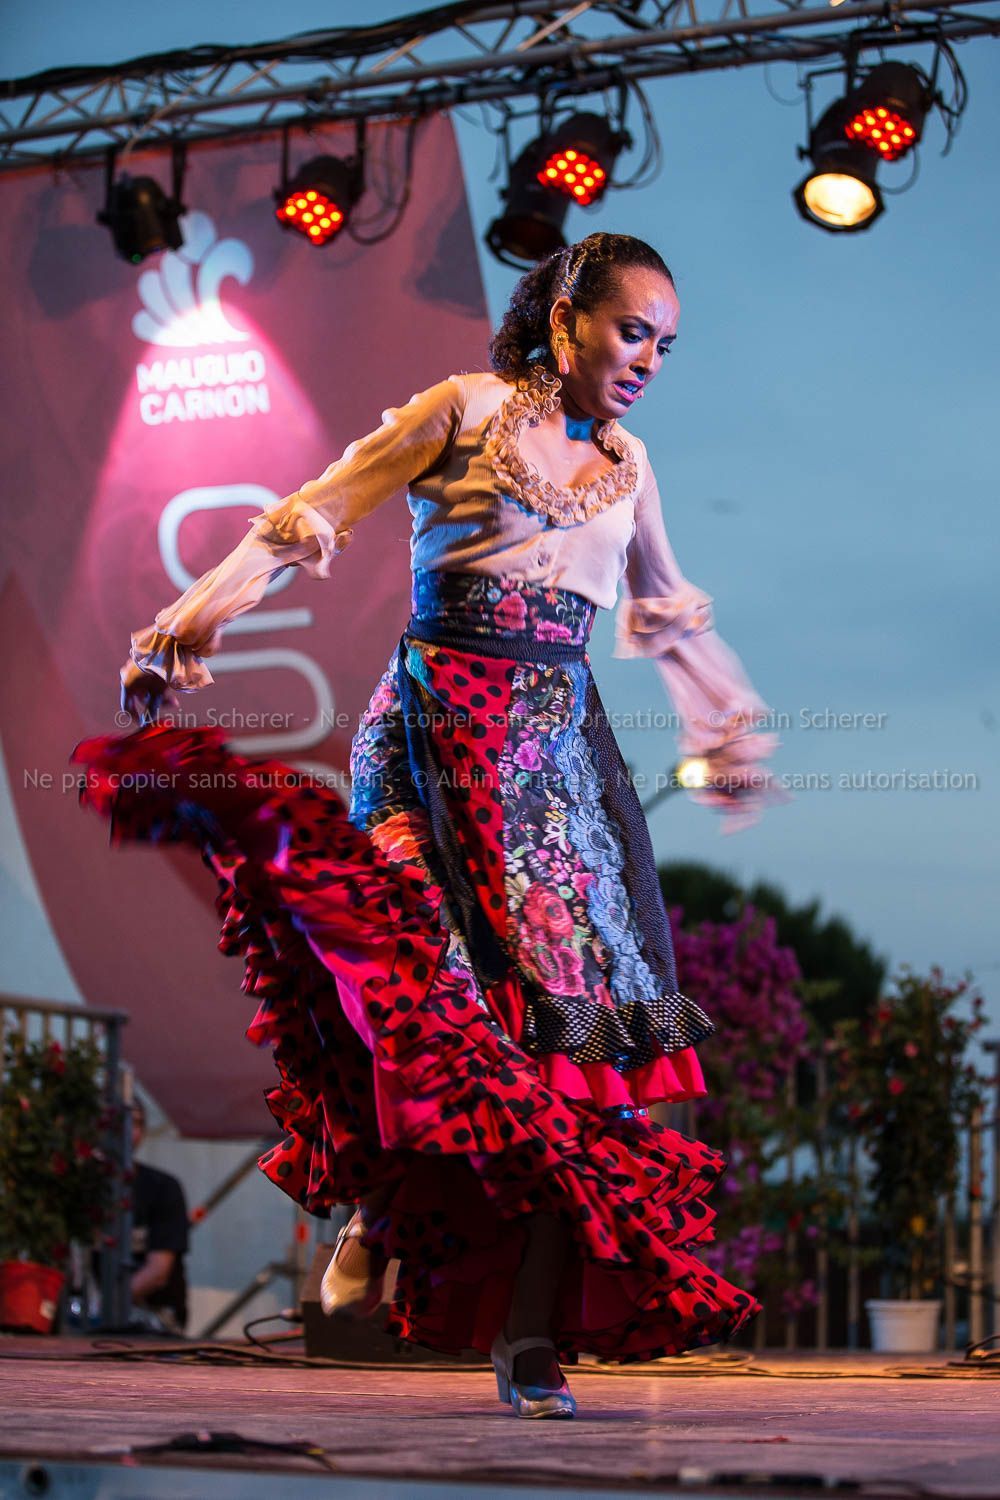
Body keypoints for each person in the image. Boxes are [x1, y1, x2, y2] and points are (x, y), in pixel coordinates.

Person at [74, 231, 784, 1419]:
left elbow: (665, 612)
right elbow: (312, 514)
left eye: (666, 344)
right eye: (631, 331)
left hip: (553, 776)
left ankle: (529, 1340)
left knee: (570, 1056)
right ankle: (380, 1202)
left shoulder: (629, 466)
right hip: (432, 743)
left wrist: (730, 723)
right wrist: (182, 626)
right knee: (417, 979)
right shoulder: (460, 409)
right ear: (566, 319)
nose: (648, 359)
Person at [128, 1097, 190, 1333]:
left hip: (157, 1320)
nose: (130, 1132)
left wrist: (108, 1305)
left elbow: (157, 1272)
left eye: (137, 1123)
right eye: (122, 1123)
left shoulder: (162, 1187)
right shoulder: (82, 1188)